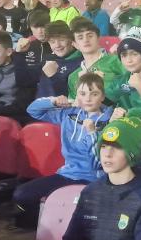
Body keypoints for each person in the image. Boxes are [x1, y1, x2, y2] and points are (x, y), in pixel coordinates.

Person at [17, 73, 113, 225]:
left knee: (78, 210)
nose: (88, 99)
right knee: (22, 194)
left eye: (94, 94)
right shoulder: (69, 113)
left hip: (94, 178)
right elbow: (33, 110)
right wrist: (54, 101)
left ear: (102, 96)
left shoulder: (111, 120)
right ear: (77, 95)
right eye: (83, 94)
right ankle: (47, 227)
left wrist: (92, 132)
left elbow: (97, 162)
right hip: (67, 174)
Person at [65, 17, 124, 93]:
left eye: (90, 36)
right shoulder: (73, 77)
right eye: (80, 37)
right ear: (75, 44)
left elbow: (131, 88)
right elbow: (73, 100)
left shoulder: (117, 61)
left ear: (98, 38)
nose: (86, 40)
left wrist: (106, 80)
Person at [104, 38, 141, 119]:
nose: (129, 60)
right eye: (124, 55)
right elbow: (103, 102)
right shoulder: (121, 80)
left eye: (134, 54)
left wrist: (140, 86)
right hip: (124, 123)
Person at [36, 21, 83, 98]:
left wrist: (53, 76)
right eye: (52, 42)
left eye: (61, 40)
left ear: (71, 39)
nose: (57, 45)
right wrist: (20, 53)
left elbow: (71, 96)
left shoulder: (81, 62)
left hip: (61, 105)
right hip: (39, 104)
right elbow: (26, 81)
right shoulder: (48, 59)